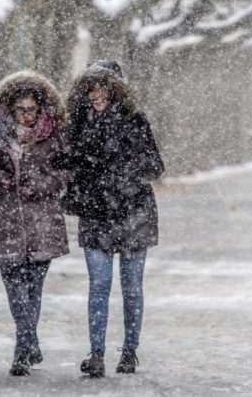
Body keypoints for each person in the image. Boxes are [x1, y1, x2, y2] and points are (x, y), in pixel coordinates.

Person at [59, 65, 164, 378]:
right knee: (99, 286)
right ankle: (97, 353)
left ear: (118, 90)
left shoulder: (136, 122)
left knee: (131, 288)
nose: (97, 95)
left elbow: (155, 167)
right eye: (92, 88)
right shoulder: (76, 124)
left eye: (104, 88)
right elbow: (66, 164)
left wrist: (122, 173)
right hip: (96, 215)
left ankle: (130, 351)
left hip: (134, 214)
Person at [0, 71, 69, 376]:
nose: (26, 116)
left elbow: (69, 170)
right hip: (5, 221)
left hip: (42, 222)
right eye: (20, 110)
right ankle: (27, 342)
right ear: (9, 109)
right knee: (15, 289)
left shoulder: (55, 134)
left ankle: (23, 346)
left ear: (40, 109)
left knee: (33, 287)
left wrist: (44, 184)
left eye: (31, 110)